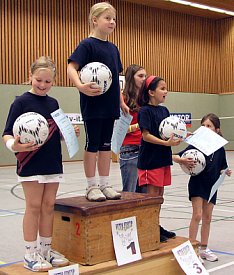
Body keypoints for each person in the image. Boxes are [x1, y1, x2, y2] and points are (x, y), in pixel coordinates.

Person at [2, 56, 77, 272]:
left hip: (52, 161)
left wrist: (67, 133)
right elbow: (7, 133)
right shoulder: (21, 102)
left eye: (48, 82)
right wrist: (13, 146)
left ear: (53, 82)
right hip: (30, 162)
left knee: (48, 206)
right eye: (38, 80)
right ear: (30, 77)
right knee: (33, 206)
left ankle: (46, 250)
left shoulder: (53, 103)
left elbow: (52, 132)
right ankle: (30, 253)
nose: (43, 85)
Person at [67, 2, 128, 202]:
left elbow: (115, 78)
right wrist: (80, 86)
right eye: (107, 18)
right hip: (93, 104)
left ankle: (104, 183)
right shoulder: (87, 45)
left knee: (105, 145)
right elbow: (71, 67)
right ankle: (91, 186)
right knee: (92, 144)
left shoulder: (113, 48)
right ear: (95, 20)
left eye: (114, 19)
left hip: (110, 105)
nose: (112, 22)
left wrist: (121, 102)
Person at [173, 113, 232, 262]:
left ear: (217, 130)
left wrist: (226, 171)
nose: (205, 128)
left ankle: (204, 248)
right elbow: (174, 156)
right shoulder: (195, 145)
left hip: (212, 186)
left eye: (209, 126)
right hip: (198, 183)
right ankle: (192, 249)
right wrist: (182, 160)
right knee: (197, 215)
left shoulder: (220, 149)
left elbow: (222, 167)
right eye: (203, 125)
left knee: (207, 218)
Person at [137, 75, 181, 242]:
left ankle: (156, 226)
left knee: (160, 196)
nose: (166, 91)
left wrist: (179, 137)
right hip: (150, 160)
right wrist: (165, 143)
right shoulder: (144, 111)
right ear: (151, 92)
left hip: (163, 159)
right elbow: (146, 135)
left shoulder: (164, 111)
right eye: (162, 88)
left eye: (166, 88)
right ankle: (148, 229)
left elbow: (168, 132)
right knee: (151, 197)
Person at [119, 64, 146, 192]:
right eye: (140, 76)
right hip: (130, 150)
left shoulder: (146, 99)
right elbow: (119, 129)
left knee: (145, 195)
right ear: (131, 78)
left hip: (146, 148)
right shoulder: (122, 99)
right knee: (130, 193)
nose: (144, 79)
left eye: (145, 76)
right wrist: (139, 126)